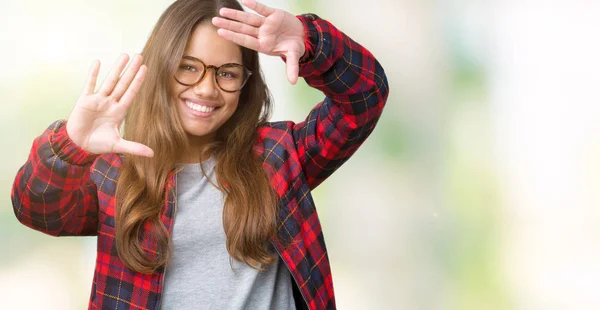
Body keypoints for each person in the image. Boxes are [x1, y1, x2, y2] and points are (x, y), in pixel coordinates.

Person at [11, 0, 389, 309]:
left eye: (226, 73)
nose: (207, 89)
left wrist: (311, 41)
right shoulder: (114, 173)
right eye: (188, 68)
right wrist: (70, 145)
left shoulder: (279, 155)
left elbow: (364, 96)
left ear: (246, 81)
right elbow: (37, 209)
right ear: (159, 69)